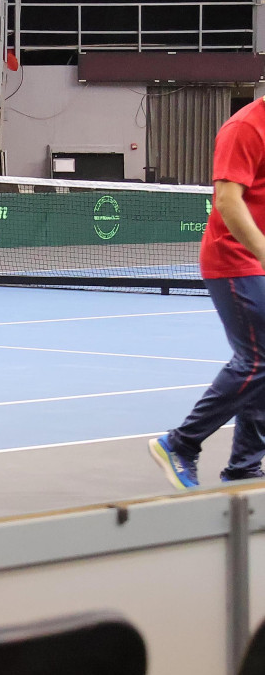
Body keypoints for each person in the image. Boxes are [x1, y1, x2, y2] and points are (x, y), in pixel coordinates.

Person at [150, 98, 265, 489]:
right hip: (234, 259)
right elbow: (228, 201)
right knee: (258, 358)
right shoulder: (245, 127)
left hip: (257, 262)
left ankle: (244, 467)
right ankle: (180, 444)